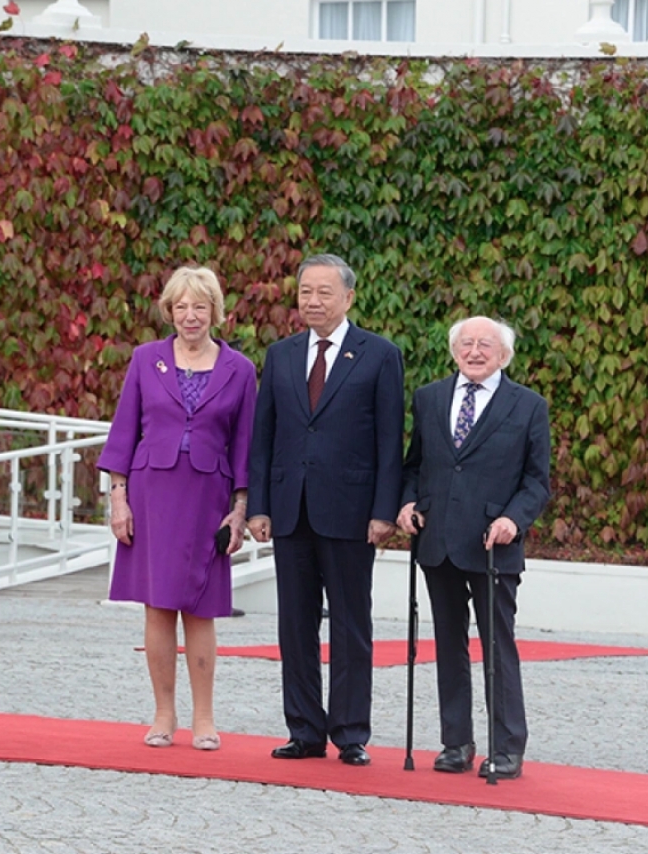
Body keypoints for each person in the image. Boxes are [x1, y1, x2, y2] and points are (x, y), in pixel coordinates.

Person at [247, 253, 405, 767]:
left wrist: (384, 510)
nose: (313, 301)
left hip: (352, 512)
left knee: (351, 626)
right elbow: (263, 438)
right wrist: (259, 506)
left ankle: (351, 732)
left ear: (349, 298)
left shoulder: (379, 356)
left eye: (324, 292)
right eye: (305, 292)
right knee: (294, 625)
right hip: (290, 511)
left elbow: (389, 440)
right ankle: (305, 729)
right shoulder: (282, 355)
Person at [97, 265, 258, 751]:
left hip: (210, 495)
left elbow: (245, 443)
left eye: (200, 306)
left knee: (203, 608)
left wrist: (241, 509)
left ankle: (204, 718)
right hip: (152, 494)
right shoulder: (146, 360)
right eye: (182, 307)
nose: (191, 316)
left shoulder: (241, 369)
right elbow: (125, 430)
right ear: (169, 310)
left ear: (215, 311)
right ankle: (163, 714)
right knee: (158, 606)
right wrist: (118, 498)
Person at [397, 317, 551, 781]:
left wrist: (513, 519)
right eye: (467, 343)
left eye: (486, 344)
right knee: (448, 644)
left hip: (492, 543)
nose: (475, 351)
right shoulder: (430, 398)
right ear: (454, 350)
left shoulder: (528, 406)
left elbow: (536, 481)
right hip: (439, 539)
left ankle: (507, 747)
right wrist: (406, 503)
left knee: (497, 646)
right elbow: (415, 465)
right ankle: (455, 741)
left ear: (504, 354)